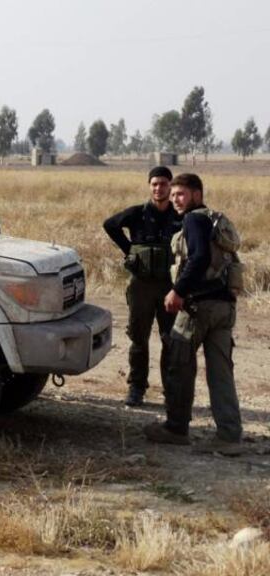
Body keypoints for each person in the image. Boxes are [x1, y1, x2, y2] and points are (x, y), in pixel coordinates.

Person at [143, 173, 243, 456]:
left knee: (178, 362)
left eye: (181, 194)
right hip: (224, 307)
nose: (175, 199)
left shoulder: (194, 220)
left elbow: (199, 258)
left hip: (199, 307)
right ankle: (229, 436)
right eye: (173, 194)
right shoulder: (215, 220)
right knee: (221, 372)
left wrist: (178, 291)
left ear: (196, 195)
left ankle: (176, 429)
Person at [103, 166, 181, 406]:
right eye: (154, 184)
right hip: (141, 286)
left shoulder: (180, 216)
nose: (159, 188)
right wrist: (130, 250)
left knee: (170, 339)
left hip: (169, 286)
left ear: (170, 186)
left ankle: (172, 390)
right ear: (149, 186)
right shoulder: (137, 213)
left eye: (163, 184)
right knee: (139, 338)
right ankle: (136, 387)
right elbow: (110, 224)